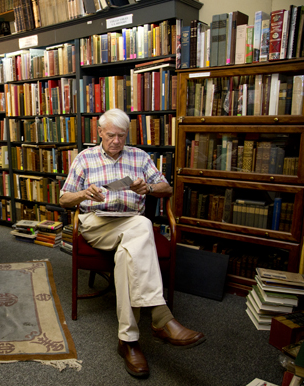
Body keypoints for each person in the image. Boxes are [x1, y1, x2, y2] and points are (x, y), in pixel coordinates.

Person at [59, 108, 205, 378]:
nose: (116, 141)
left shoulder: (139, 156)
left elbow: (167, 188)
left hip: (130, 221)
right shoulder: (85, 158)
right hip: (97, 223)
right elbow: (64, 199)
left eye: (121, 136)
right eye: (111, 135)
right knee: (143, 227)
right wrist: (83, 193)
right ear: (100, 132)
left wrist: (147, 188)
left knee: (131, 247)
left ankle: (128, 341)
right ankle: (161, 319)